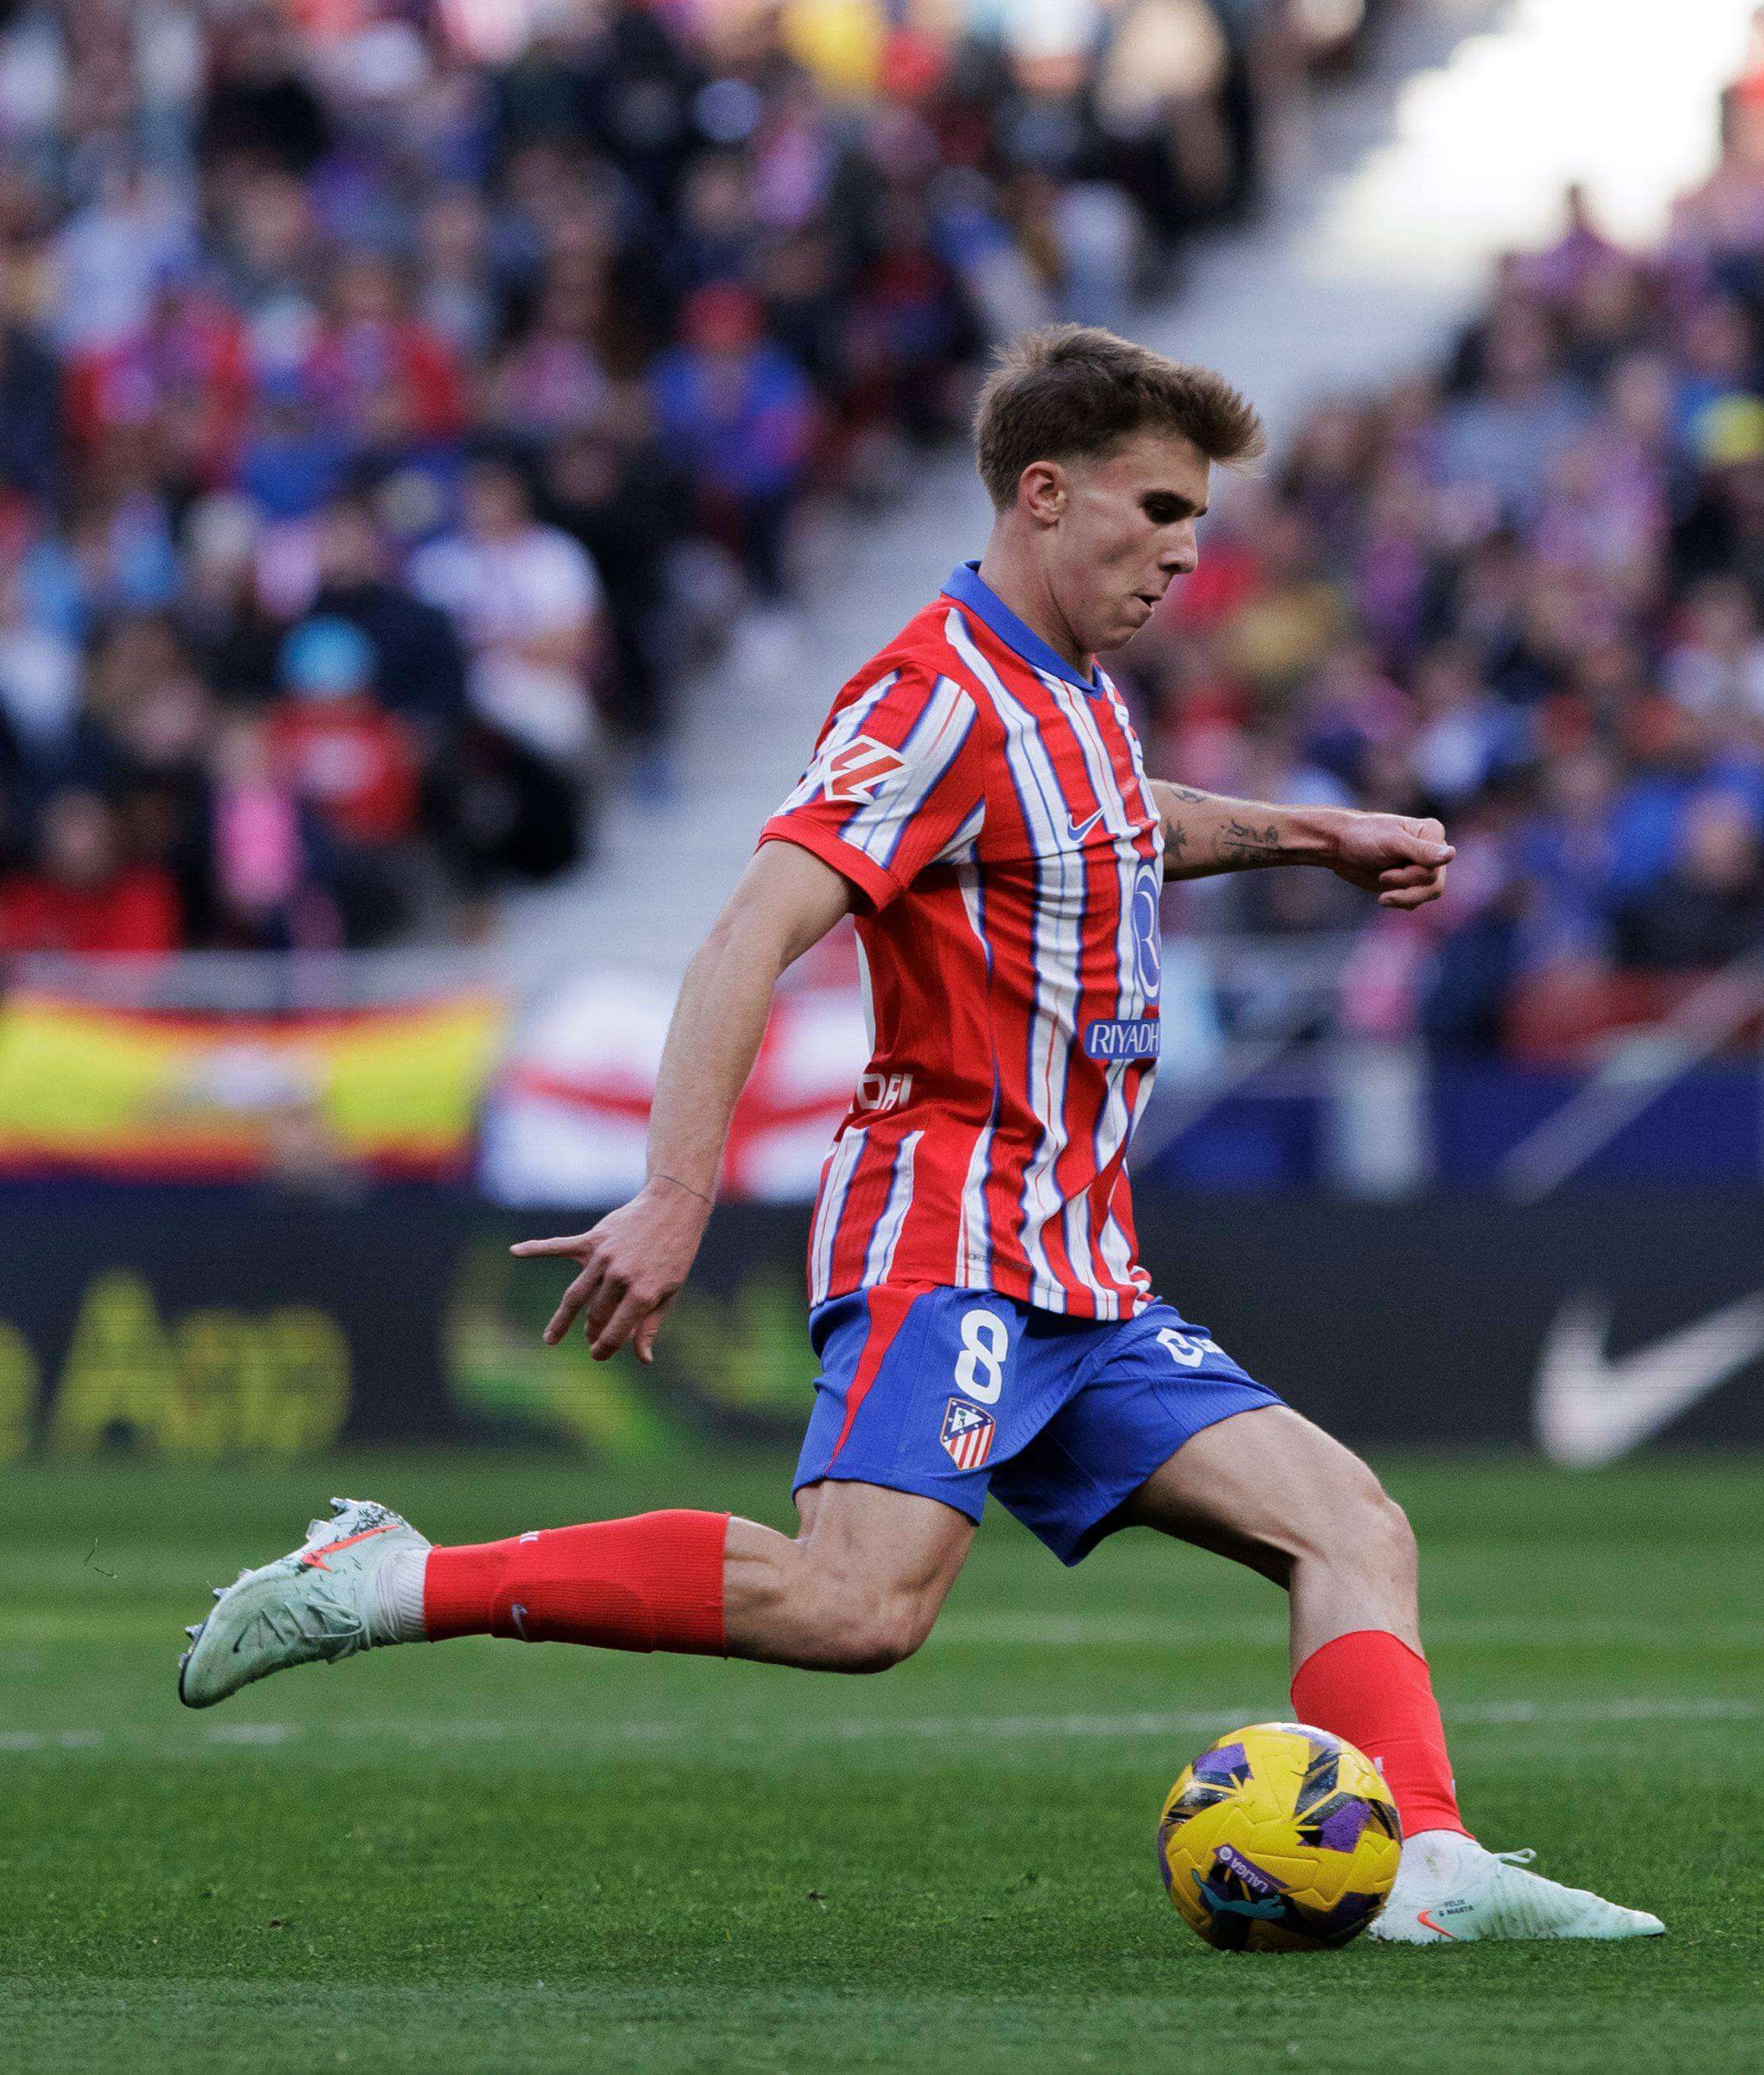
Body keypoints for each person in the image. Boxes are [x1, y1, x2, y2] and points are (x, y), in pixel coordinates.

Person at [176, 325, 1663, 1946]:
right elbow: (751, 927)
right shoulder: (932, 690)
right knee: (855, 1603)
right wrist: (675, 1188)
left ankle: (1426, 1860)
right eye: (1159, 508)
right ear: (1046, 493)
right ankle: (390, 1577)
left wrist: (1313, 833)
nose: (1184, 551)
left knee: (1351, 1522)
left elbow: (1116, 819)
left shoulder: (1071, 689)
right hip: (947, 1228)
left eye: (1197, 520)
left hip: (1077, 1260)